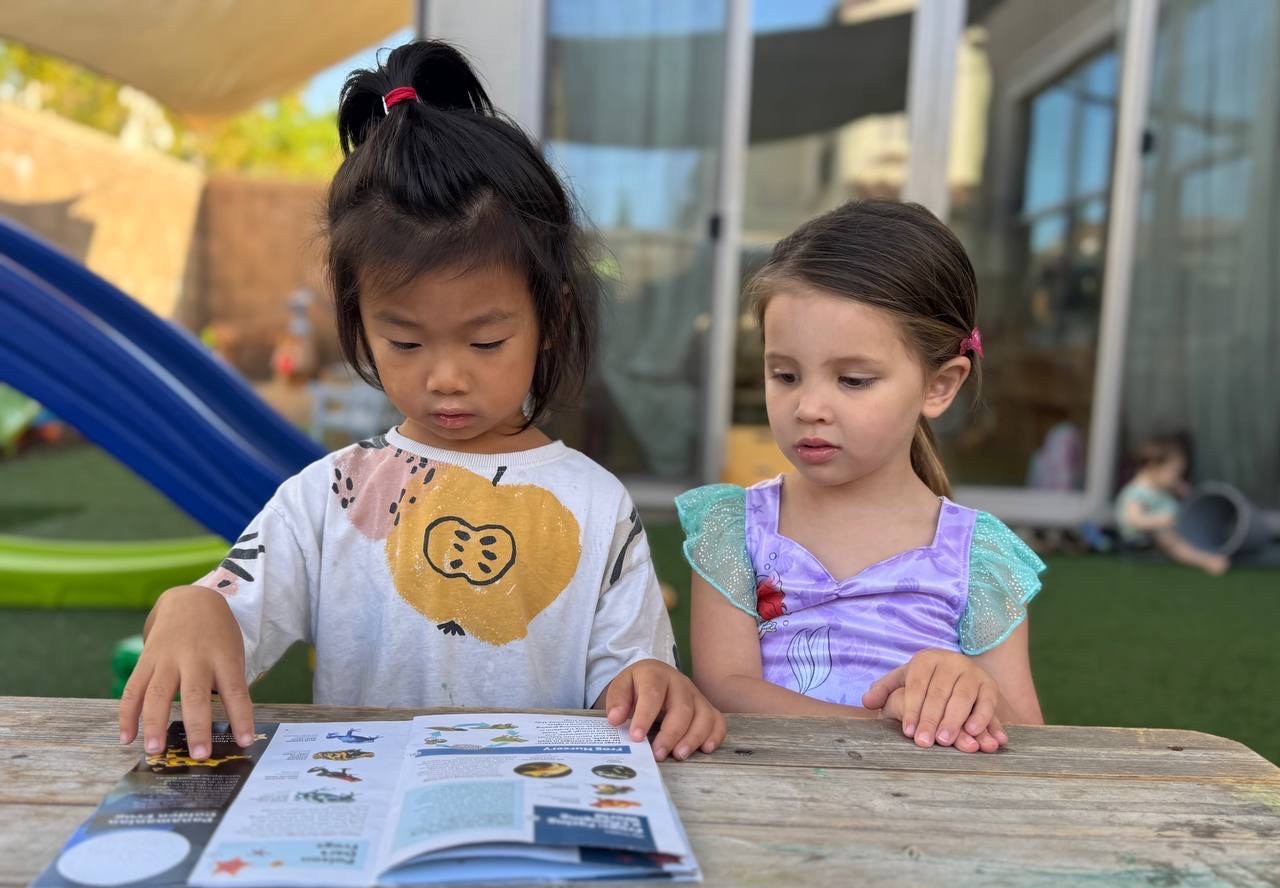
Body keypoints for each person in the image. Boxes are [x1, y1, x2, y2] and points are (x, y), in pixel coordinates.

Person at [119, 40, 724, 765]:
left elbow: (631, 680)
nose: (445, 377)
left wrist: (657, 684)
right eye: (405, 343)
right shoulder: (333, 496)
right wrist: (192, 608)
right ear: (359, 320)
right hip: (360, 816)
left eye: (485, 341)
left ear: (551, 319)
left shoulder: (597, 505)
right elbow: (225, 610)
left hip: (531, 813)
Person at [678, 200, 1045, 753]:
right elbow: (724, 689)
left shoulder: (978, 556)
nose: (809, 407)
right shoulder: (735, 529)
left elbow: (1034, 737)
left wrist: (976, 691)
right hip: (765, 806)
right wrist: (885, 729)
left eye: (852, 380)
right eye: (785, 374)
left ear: (939, 386)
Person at [1115, 436, 1228, 575]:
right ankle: (1205, 560)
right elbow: (1133, 519)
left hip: (1172, 532)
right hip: (1143, 541)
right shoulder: (1139, 493)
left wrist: (1183, 492)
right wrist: (1160, 520)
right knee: (1166, 537)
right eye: (1174, 473)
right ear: (1154, 467)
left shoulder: (1162, 488)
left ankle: (1206, 549)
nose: (1177, 478)